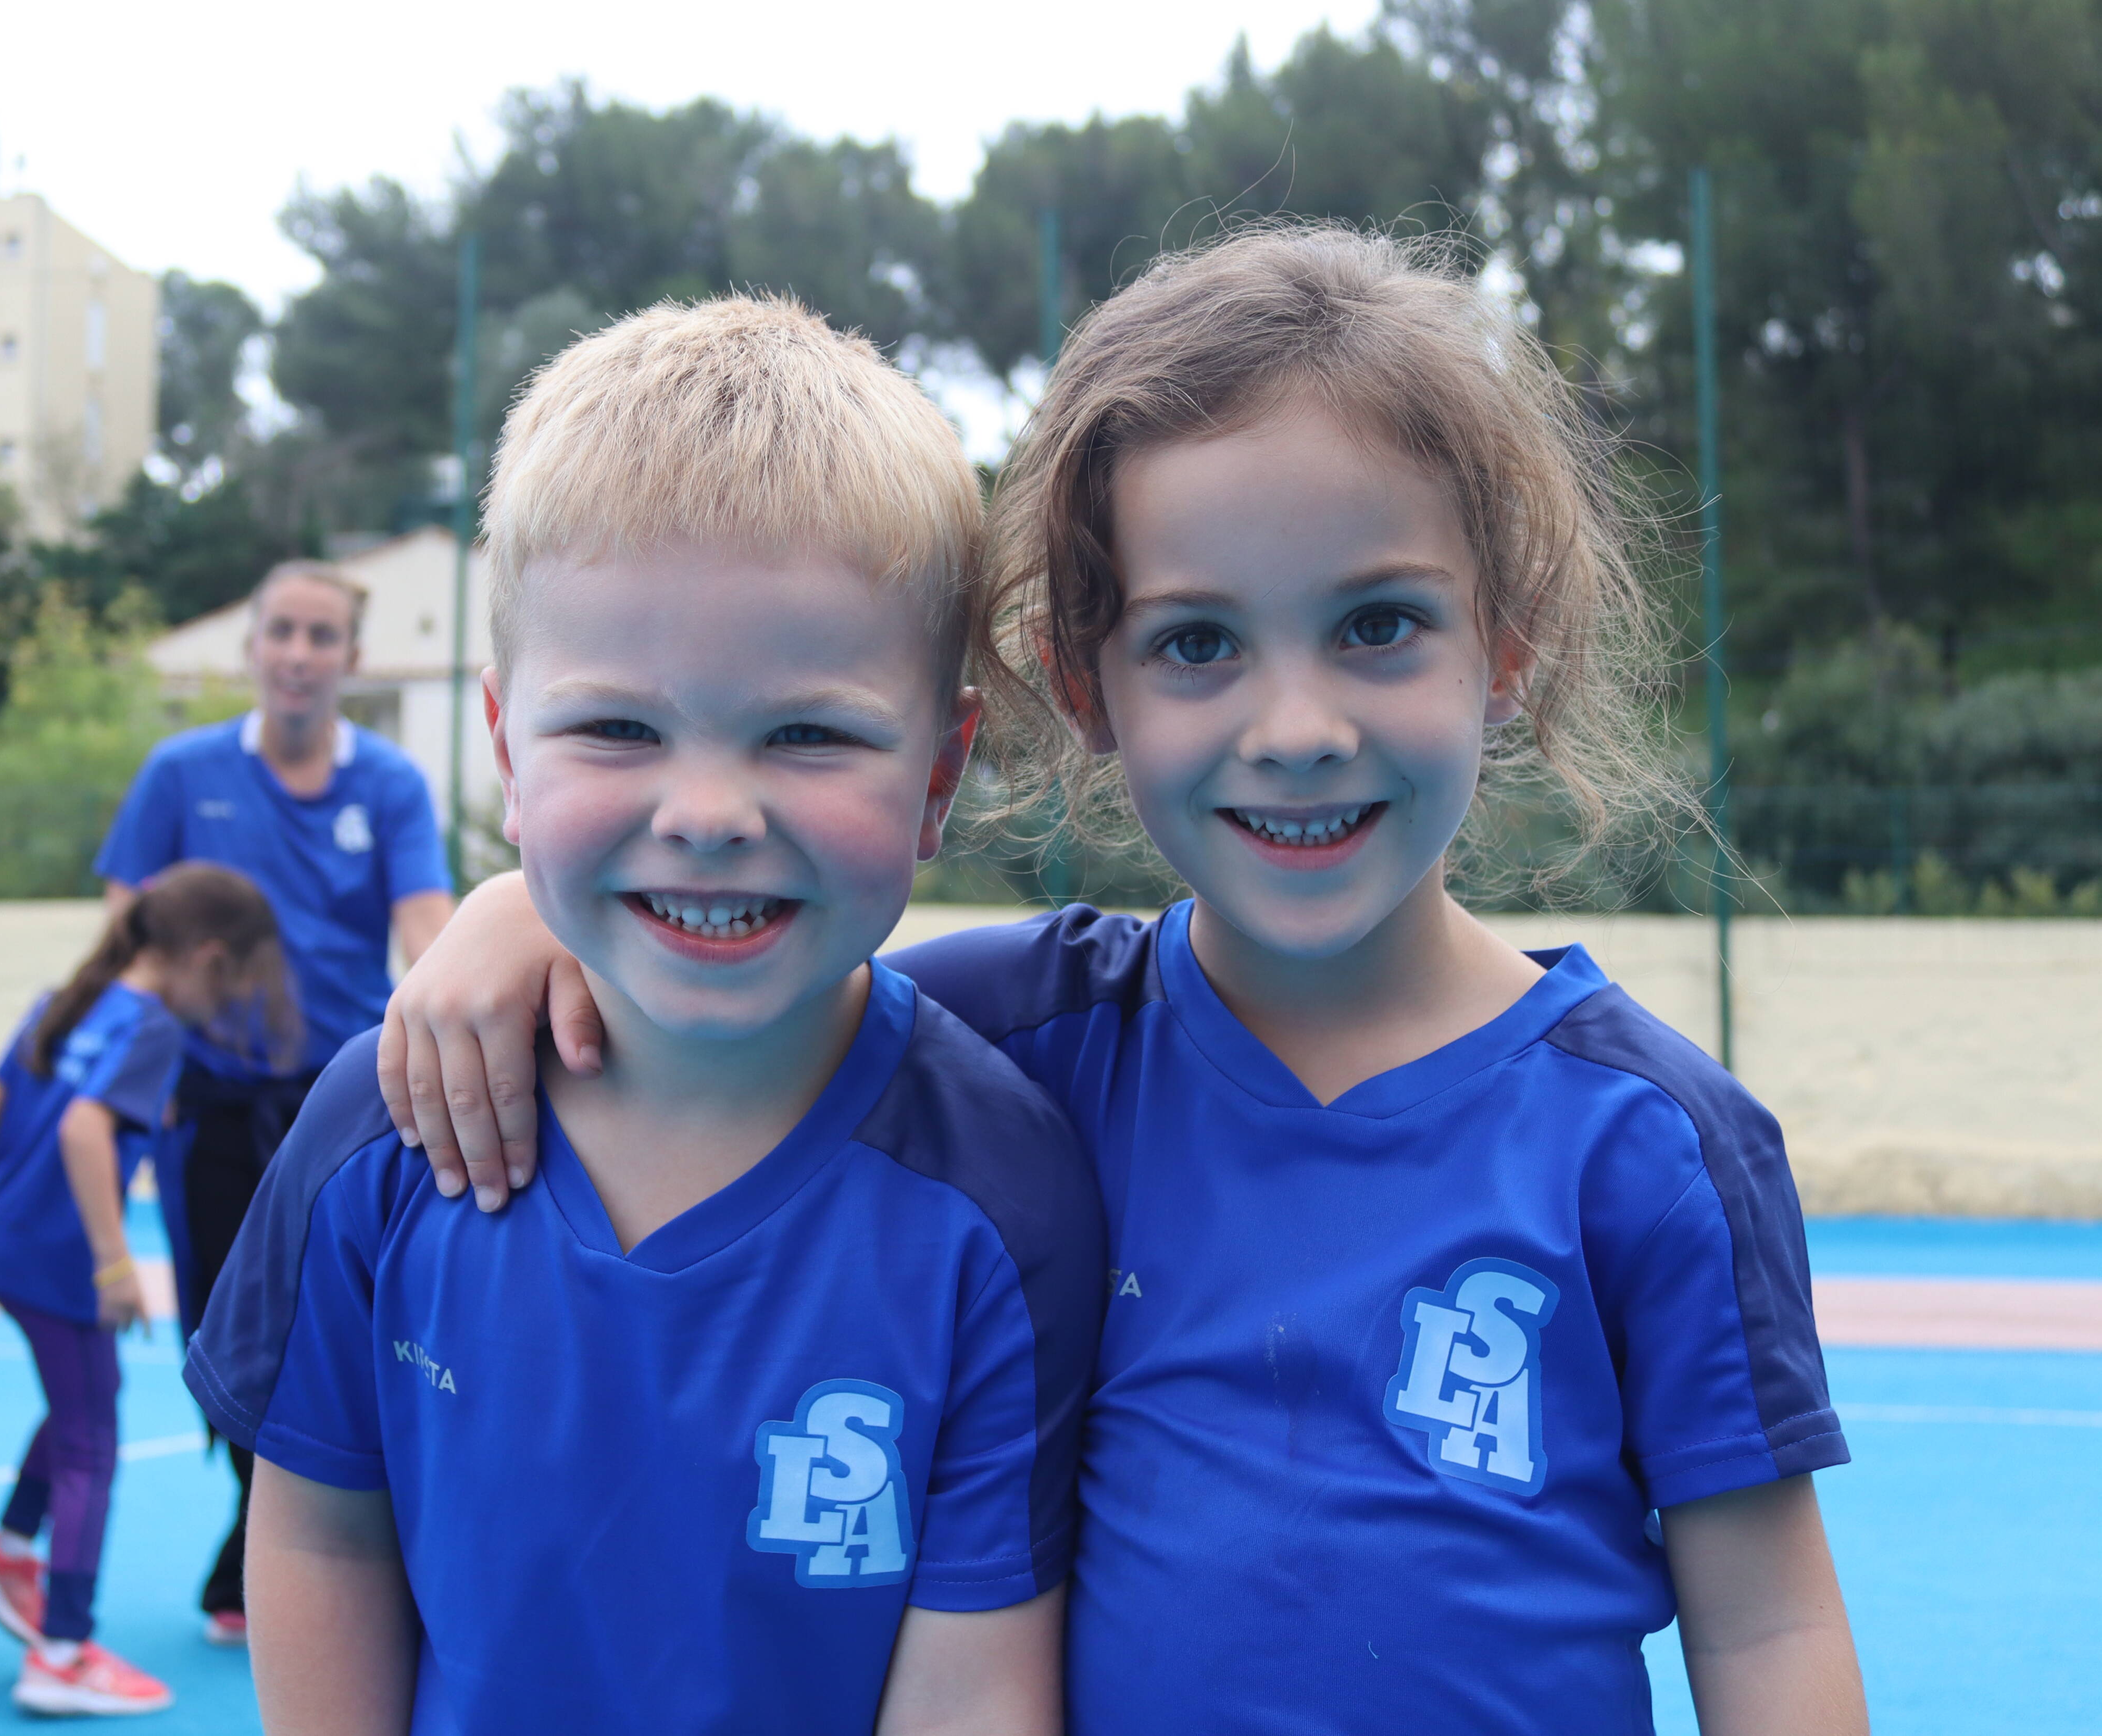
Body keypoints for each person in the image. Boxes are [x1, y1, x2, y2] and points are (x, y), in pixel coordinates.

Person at [372, 226, 1869, 1734]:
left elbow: (1771, 1622)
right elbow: (743, 955)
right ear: (1089, 687)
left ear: (1508, 652)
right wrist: (529, 912)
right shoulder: (1022, 1043)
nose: (1296, 723)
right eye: (1198, 641)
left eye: (1378, 625)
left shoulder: (1654, 1139)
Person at [184, 295, 1104, 1734]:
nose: (709, 813)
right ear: (502, 743)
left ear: (939, 774)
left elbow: (975, 1671)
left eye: (809, 732)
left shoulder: (1006, 1192)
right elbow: (316, 1533)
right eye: (618, 727)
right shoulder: (381, 1125)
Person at [92, 557, 454, 1640]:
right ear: (252, 647)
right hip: (206, 1101)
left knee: (347, 1319)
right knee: (227, 1328)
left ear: (351, 655)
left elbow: (429, 935)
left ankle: (288, 1554)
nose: (299, 653)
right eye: (282, 631)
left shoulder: (388, 784)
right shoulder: (178, 773)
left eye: (322, 634)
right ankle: (260, 1543)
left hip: (342, 1105)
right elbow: (123, 943)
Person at [0, 863, 296, 1716]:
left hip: (4, 1241)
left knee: (81, 1401)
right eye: (236, 983)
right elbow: (83, 1127)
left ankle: (9, 1546)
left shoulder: (70, 998)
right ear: (208, 959)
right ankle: (61, 1648)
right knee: (93, 1442)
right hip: (62, 1264)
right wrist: (111, 1261)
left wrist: (18, 1196)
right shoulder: (151, 1027)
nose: (233, 1003)